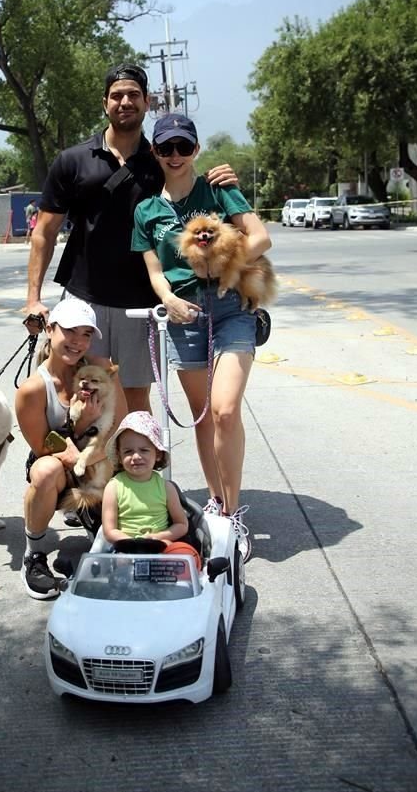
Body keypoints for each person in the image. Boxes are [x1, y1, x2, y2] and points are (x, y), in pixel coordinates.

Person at [23, 63, 239, 415]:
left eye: (133, 95)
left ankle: (137, 471)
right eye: (117, 95)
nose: (125, 101)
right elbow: (44, 232)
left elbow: (198, 200)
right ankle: (91, 470)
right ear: (105, 103)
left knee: (136, 399)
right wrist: (33, 299)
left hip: (143, 300)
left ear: (147, 102)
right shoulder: (73, 161)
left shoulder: (162, 160)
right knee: (86, 395)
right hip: (85, 298)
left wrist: (224, 177)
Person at [132, 113, 272, 562]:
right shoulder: (146, 210)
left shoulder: (218, 188)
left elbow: (261, 238)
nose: (175, 155)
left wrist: (222, 266)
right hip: (184, 316)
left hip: (231, 309)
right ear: (155, 152)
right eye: (166, 147)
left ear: (195, 149)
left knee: (225, 410)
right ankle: (216, 499)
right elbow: (155, 273)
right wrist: (169, 300)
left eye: (183, 146)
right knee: (202, 416)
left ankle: (232, 513)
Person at [15, 298, 123, 599]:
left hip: (100, 460)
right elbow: (42, 444)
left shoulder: (102, 370)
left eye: (87, 334)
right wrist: (79, 433)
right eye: (70, 331)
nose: (78, 341)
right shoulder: (34, 389)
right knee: (45, 471)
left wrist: (97, 457)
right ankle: (34, 555)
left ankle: (103, 530)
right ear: (50, 330)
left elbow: (119, 422)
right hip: (59, 463)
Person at [102, 411, 202, 571]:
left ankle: (183, 589)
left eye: (144, 450)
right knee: (118, 564)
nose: (136, 456)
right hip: (125, 545)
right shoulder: (113, 487)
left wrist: (158, 538)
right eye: (128, 451)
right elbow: (109, 530)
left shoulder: (166, 487)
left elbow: (181, 524)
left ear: (157, 454)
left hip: (160, 542)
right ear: (119, 456)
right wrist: (132, 543)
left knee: (180, 557)